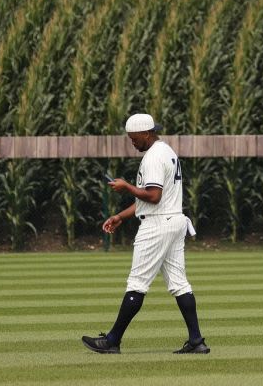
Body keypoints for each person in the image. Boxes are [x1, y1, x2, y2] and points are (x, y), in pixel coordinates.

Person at [81, 113, 210, 355]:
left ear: (147, 133)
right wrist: (120, 216)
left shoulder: (153, 157)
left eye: (134, 138)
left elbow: (153, 196)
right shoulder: (167, 152)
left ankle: (112, 341)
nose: (132, 142)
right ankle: (196, 341)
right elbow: (153, 200)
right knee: (180, 284)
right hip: (174, 221)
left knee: (137, 283)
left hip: (157, 226)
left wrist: (126, 187)